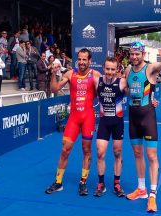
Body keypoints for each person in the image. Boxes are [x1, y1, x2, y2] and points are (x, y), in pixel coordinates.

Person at [125, 30, 161, 213]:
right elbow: (127, 90)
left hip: (148, 117)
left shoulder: (149, 68)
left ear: (143, 54)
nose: (134, 56)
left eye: (137, 54)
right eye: (132, 54)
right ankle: (141, 189)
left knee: (151, 156)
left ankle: (152, 195)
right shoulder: (127, 70)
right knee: (137, 154)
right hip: (132, 118)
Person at [45, 48, 101, 196]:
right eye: (80, 59)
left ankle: (83, 182)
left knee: (87, 151)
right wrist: (53, 73)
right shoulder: (70, 74)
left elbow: (105, 92)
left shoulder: (95, 75)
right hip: (74, 118)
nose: (82, 62)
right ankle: (58, 182)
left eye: (85, 59)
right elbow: (54, 88)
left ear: (90, 61)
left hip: (88, 117)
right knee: (65, 150)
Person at [93, 56, 127, 197]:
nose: (110, 72)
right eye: (107, 69)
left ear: (117, 69)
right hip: (104, 123)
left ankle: (116, 183)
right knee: (100, 153)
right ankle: (101, 183)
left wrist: (152, 100)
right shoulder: (97, 81)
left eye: (113, 69)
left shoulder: (122, 82)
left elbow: (138, 90)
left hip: (117, 123)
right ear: (103, 68)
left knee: (117, 153)